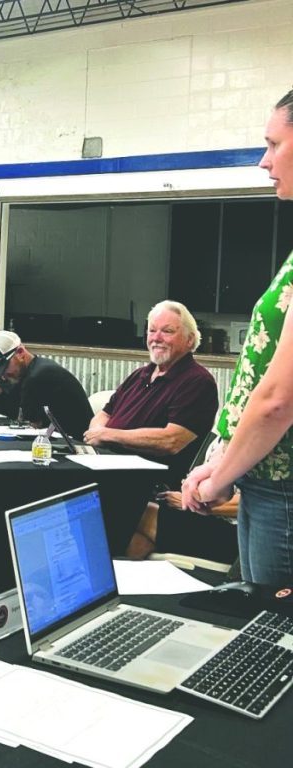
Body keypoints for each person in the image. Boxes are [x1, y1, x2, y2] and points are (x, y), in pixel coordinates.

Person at [182, 88, 293, 585]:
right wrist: (226, 463)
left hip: (283, 485)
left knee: (271, 644)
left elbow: (279, 400)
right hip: (265, 478)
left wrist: (217, 479)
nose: (263, 161)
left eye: (273, 144)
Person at [83, 301, 218, 488]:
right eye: (152, 330)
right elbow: (105, 414)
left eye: (167, 331)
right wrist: (97, 435)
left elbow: (171, 440)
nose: (157, 338)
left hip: (147, 485)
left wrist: (108, 435)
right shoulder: (140, 375)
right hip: (106, 468)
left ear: (189, 339)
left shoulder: (197, 382)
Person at [0, 330, 93, 436]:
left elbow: (31, 427)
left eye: (4, 369)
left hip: (77, 444)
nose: (3, 376)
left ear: (20, 353)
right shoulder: (36, 369)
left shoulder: (37, 378)